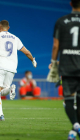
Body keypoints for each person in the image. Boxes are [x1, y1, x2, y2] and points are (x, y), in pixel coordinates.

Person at [47, 0, 80, 139]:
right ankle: (75, 129)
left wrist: (54, 63)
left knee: (68, 99)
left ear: (71, 3)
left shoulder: (61, 21)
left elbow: (56, 45)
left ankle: (76, 127)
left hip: (67, 66)